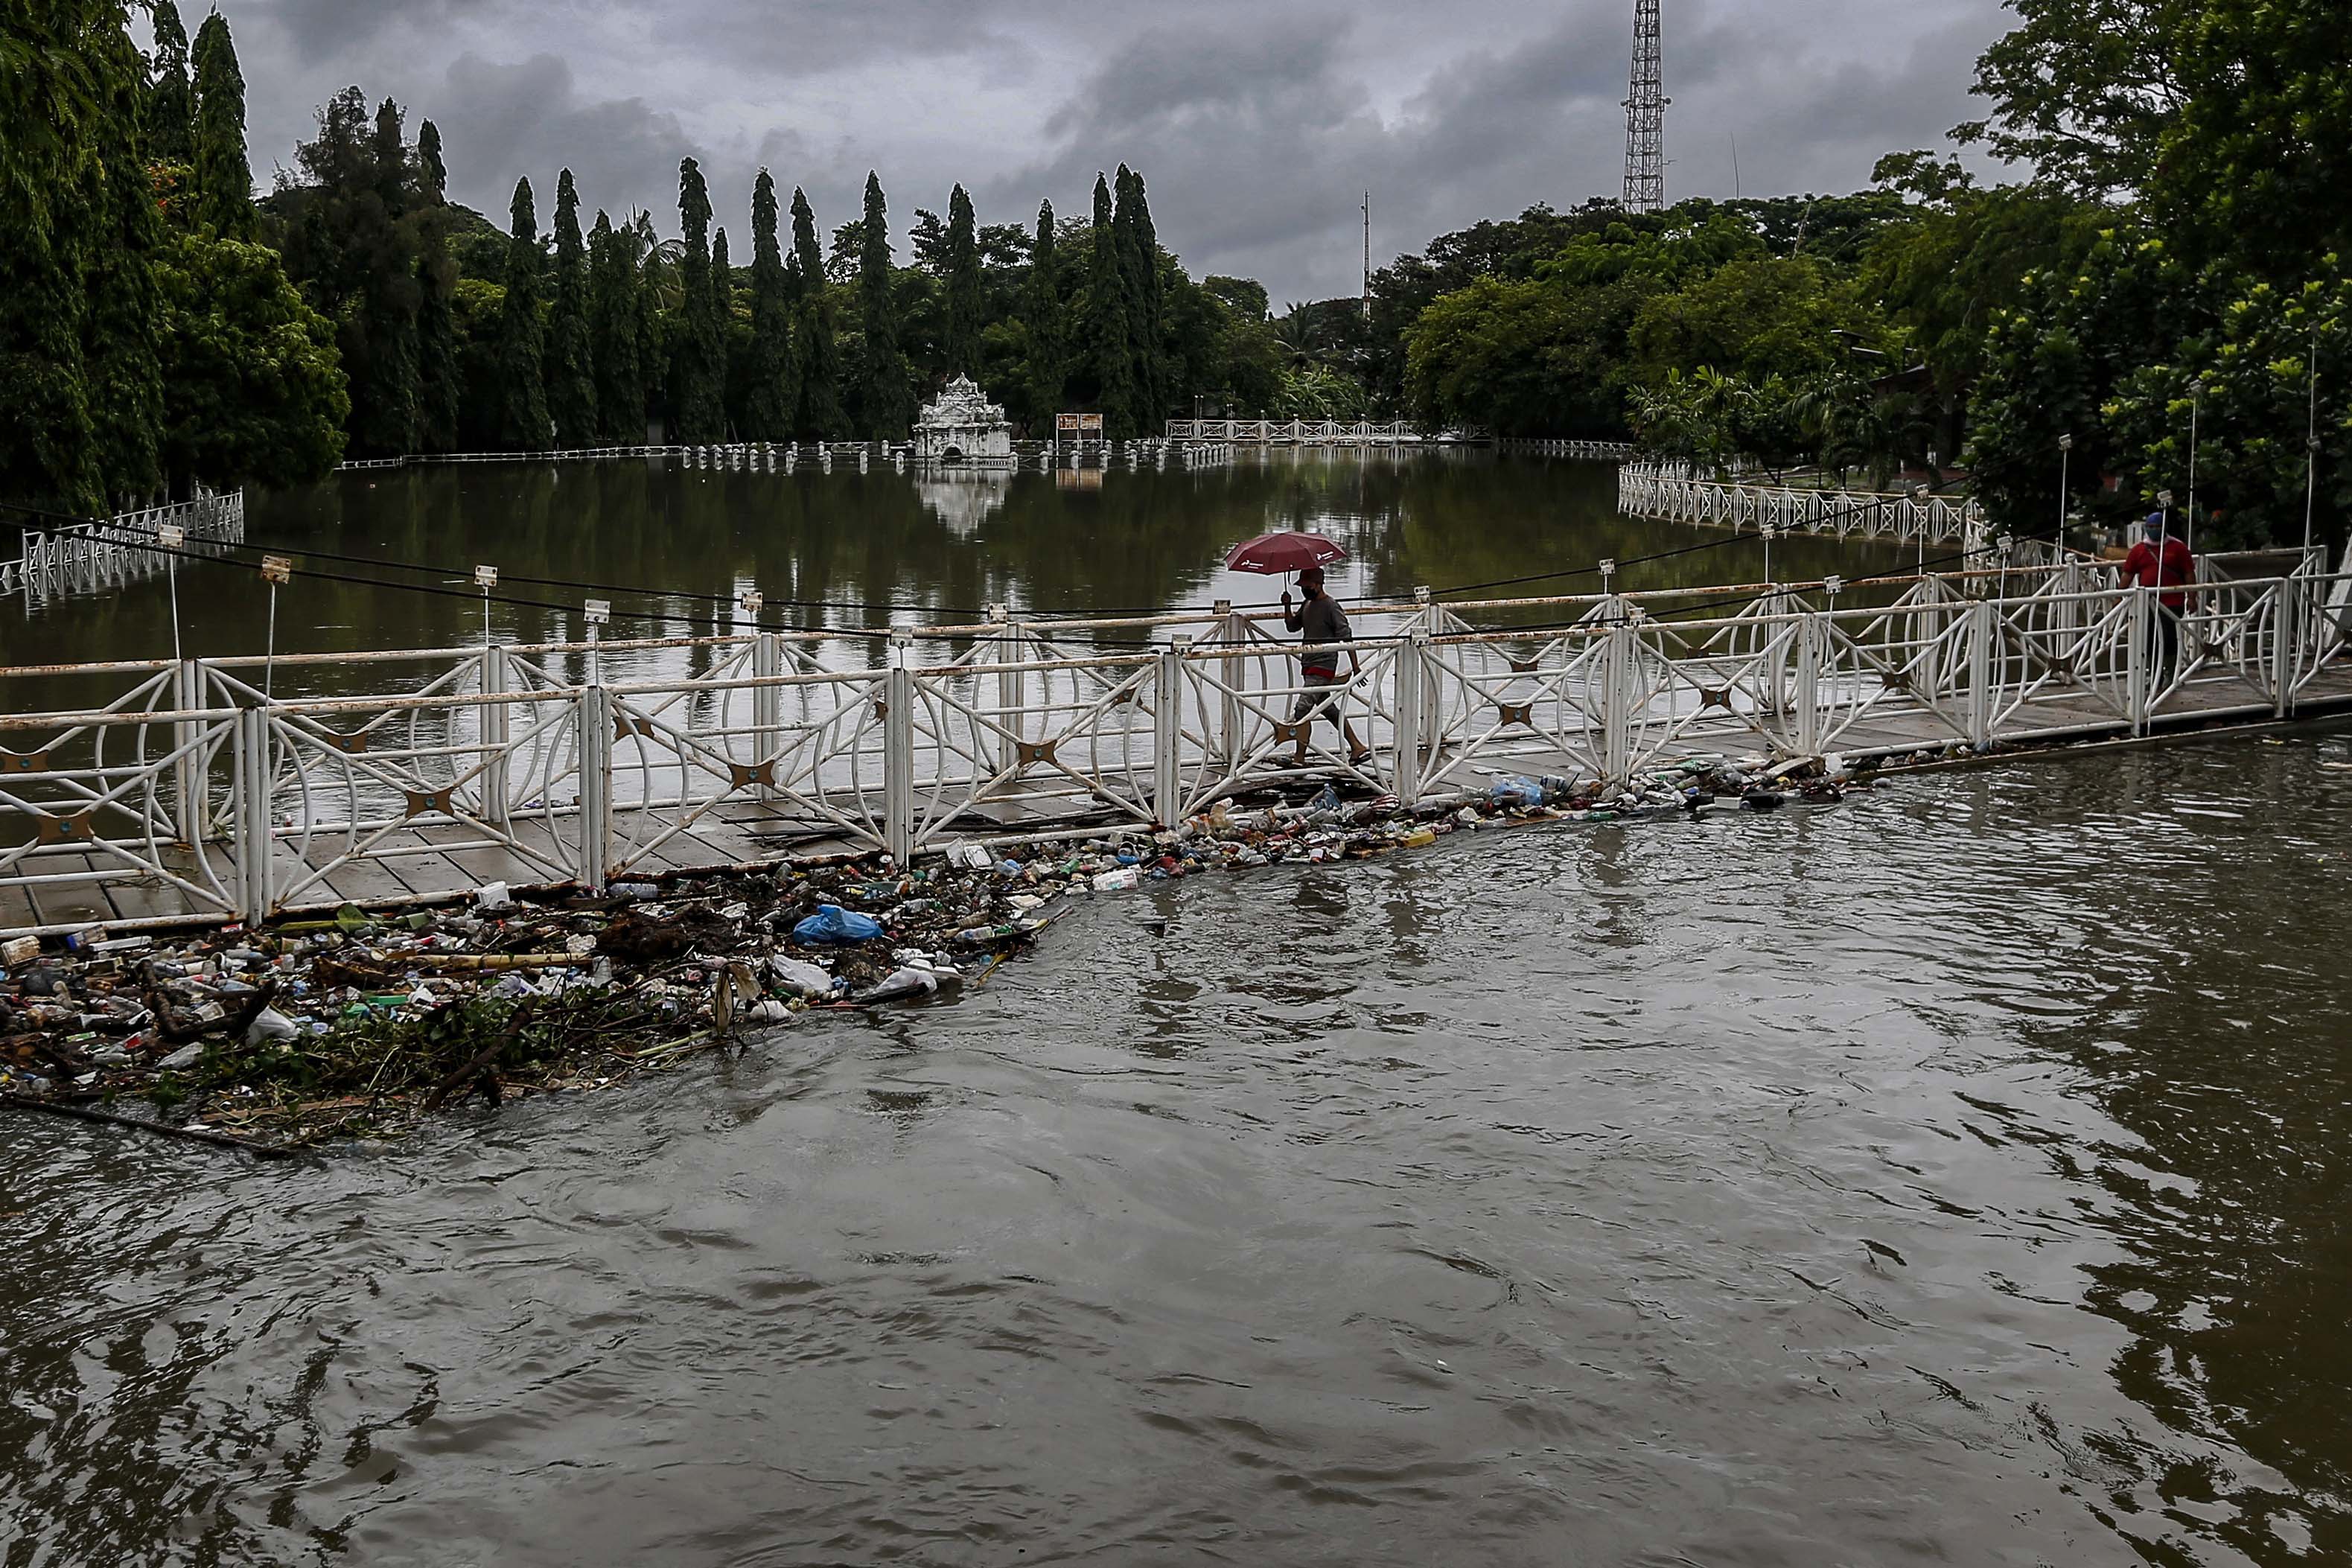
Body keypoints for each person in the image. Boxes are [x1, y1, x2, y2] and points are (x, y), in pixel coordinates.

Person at [1281, 566, 1371, 768]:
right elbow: (1292, 626)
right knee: (1328, 709)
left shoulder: (1331, 605)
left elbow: (1345, 635)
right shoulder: (1307, 603)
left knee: (1302, 709)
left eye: (1307, 585)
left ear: (1318, 584)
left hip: (1324, 664)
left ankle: (1299, 757)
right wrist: (1286, 606)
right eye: (1302, 586)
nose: (1304, 589)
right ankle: (1357, 746)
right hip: (1308, 664)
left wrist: (1355, 667)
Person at [2119, 511, 2195, 688]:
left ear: (2164, 528)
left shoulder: (2178, 548)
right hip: (2146, 603)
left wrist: (2192, 597)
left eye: (2157, 527)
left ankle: (2171, 675)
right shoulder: (2139, 549)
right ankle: (2154, 676)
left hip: (2172, 601)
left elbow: (2189, 573)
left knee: (2169, 638)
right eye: (2151, 527)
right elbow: (2127, 574)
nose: (2154, 530)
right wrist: (2118, 597)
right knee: (2149, 639)